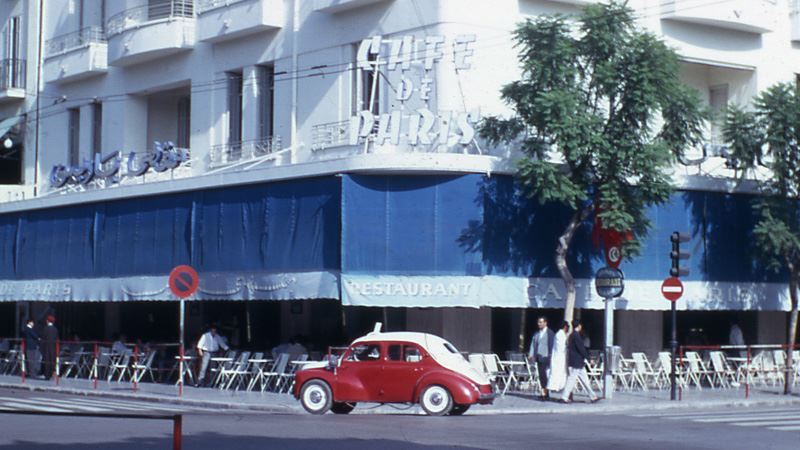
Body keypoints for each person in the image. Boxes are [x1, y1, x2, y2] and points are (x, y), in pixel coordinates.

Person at [561, 320, 599, 404]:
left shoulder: (571, 335)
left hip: (577, 362)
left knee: (585, 380)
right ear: (579, 326)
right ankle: (564, 396)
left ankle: (593, 396)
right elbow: (581, 349)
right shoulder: (576, 336)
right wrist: (589, 358)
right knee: (571, 380)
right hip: (576, 362)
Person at [528, 316, 555, 399]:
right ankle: (545, 392)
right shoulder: (537, 334)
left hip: (546, 356)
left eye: (541, 322)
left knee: (544, 375)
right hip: (539, 356)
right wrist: (531, 354)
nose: (539, 324)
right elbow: (533, 344)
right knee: (541, 375)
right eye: (538, 322)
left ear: (545, 323)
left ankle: (545, 392)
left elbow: (553, 345)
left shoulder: (550, 333)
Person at [547, 320, 570, 394]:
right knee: (557, 373)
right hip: (559, 357)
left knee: (560, 373)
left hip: (560, 357)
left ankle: (560, 387)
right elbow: (561, 347)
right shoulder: (560, 334)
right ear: (565, 327)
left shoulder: (562, 334)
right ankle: (555, 387)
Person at [41, 315, 59, 380]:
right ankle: (52, 374)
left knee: (47, 361)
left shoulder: (45, 329)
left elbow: (43, 338)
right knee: (52, 361)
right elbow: (57, 338)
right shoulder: (55, 329)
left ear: (47, 321)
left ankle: (47, 375)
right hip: (53, 347)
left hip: (46, 347)